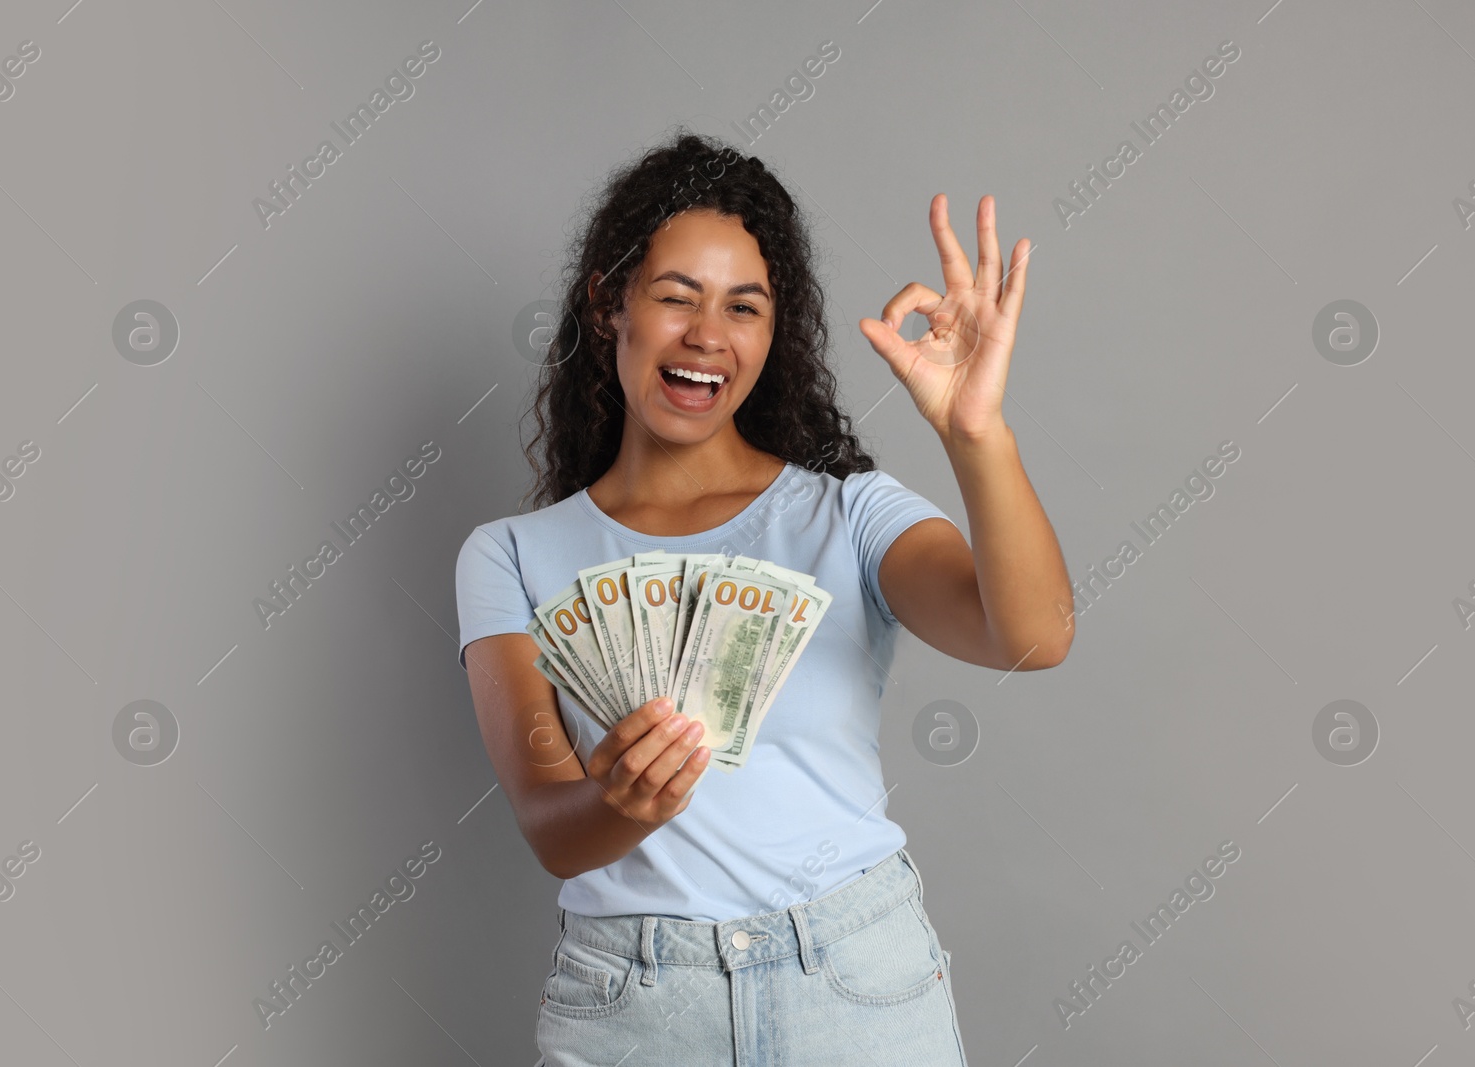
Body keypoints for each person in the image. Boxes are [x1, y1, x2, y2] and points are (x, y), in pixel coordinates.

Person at [455, 129, 1073, 1066]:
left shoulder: (852, 515)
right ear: (608, 302)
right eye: (676, 297)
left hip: (854, 987)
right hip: (635, 1007)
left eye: (743, 306)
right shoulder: (510, 557)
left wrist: (976, 434)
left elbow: (1032, 637)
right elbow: (552, 826)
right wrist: (626, 801)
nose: (708, 335)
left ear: (772, 332)